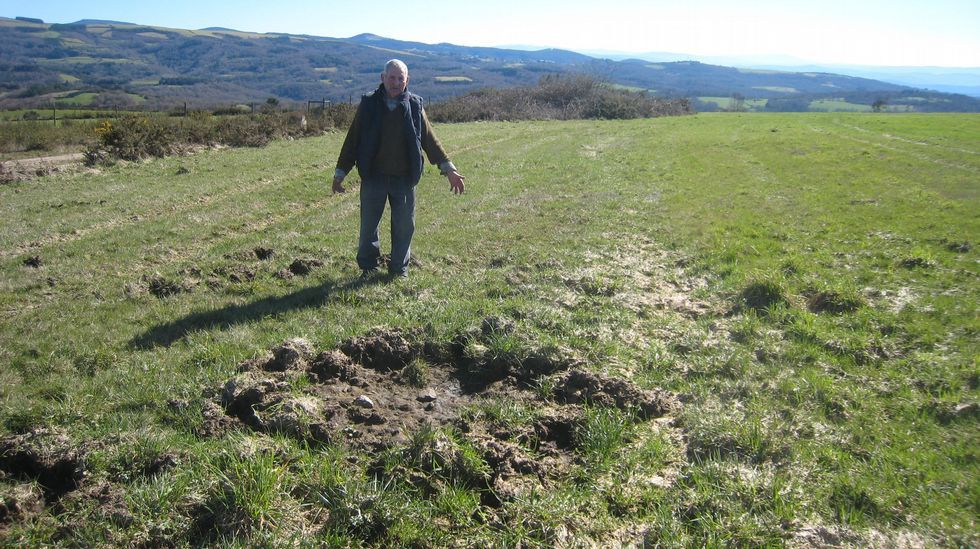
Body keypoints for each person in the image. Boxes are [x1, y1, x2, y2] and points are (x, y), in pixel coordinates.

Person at [333, 59, 465, 278]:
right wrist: (340, 173)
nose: (395, 83)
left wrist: (449, 169)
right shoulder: (368, 104)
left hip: (404, 178)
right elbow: (353, 139)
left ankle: (398, 270)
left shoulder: (415, 105)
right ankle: (368, 267)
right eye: (391, 78)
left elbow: (430, 141)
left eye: (400, 78)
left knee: (404, 227)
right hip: (373, 176)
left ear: (407, 81)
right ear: (382, 78)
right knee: (368, 228)